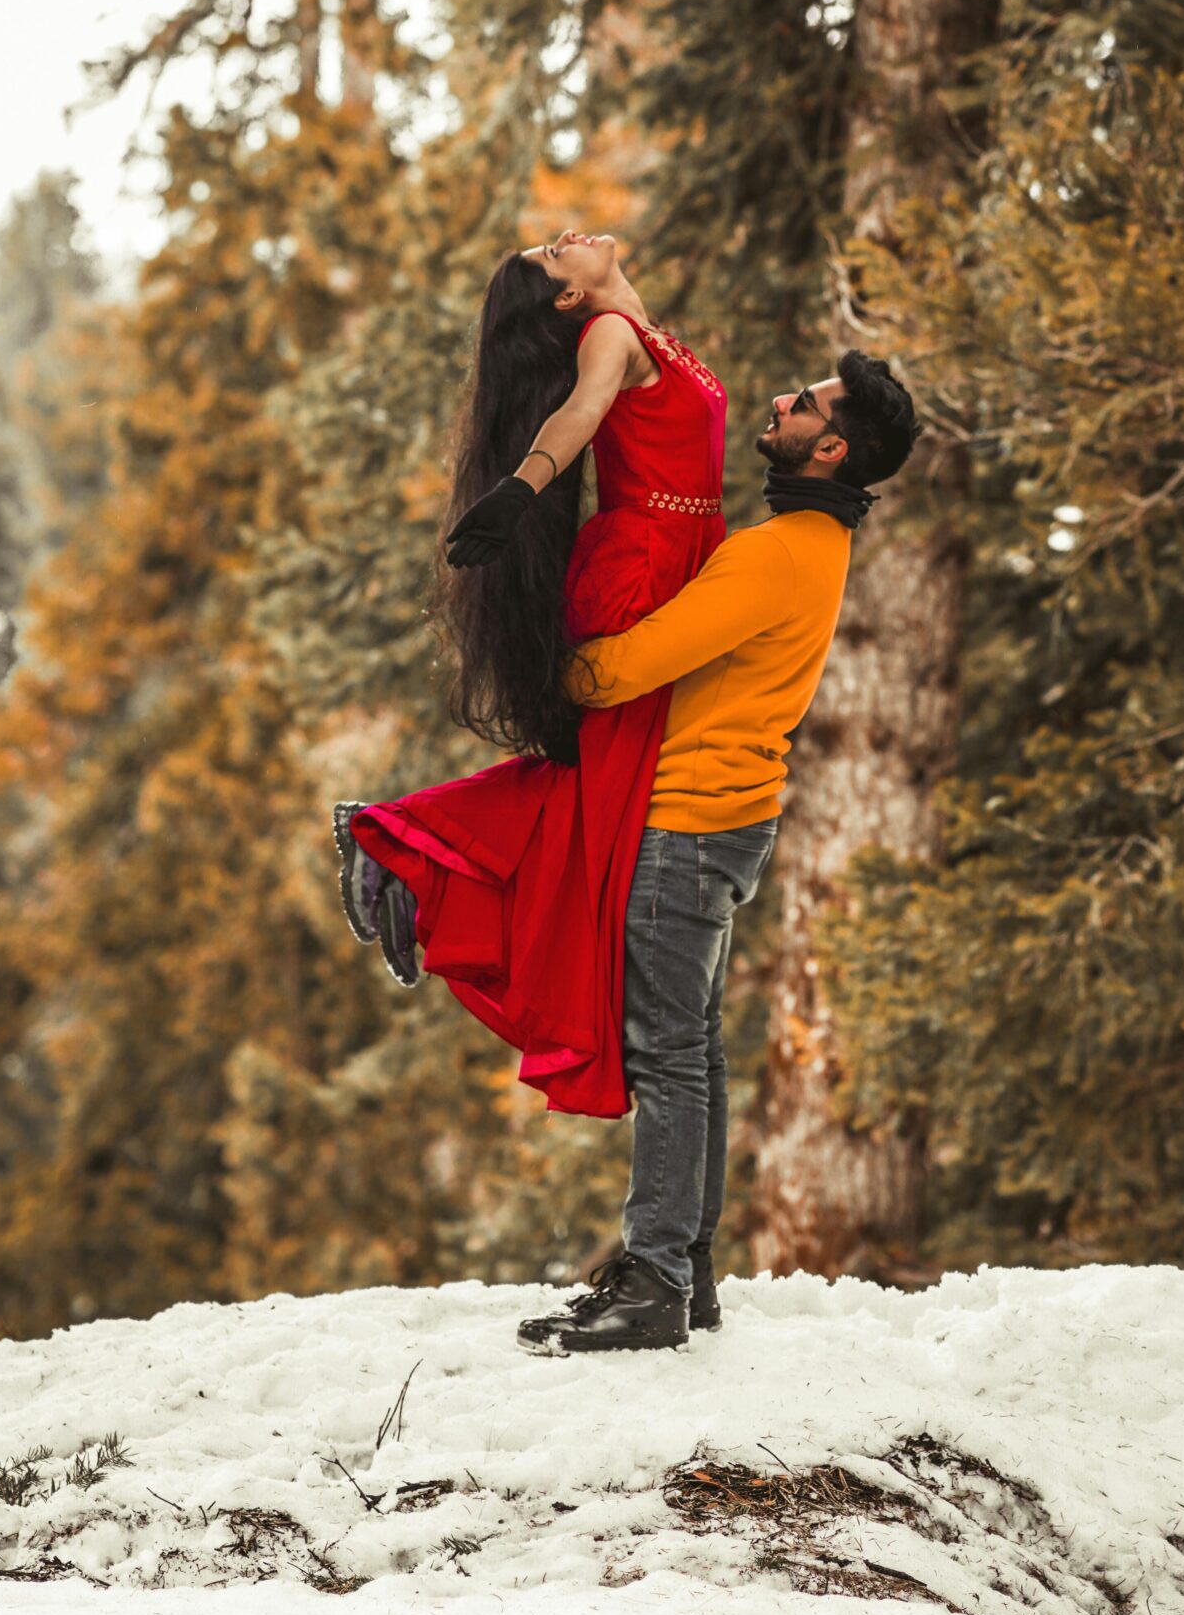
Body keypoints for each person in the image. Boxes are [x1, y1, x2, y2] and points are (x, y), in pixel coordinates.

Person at [518, 348, 921, 1355]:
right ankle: (683, 1274)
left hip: (691, 821)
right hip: (730, 817)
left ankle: (654, 1278)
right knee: (691, 1044)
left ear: (828, 448)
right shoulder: (814, 542)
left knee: (666, 1050)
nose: (782, 399)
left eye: (807, 404)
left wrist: (541, 671)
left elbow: (639, 663)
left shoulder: (779, 549)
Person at [333, 229, 727, 1115]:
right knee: (599, 799)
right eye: (554, 256)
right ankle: (398, 845)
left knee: (596, 790)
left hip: (676, 563)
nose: (567, 238)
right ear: (565, 301)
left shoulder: (639, 325)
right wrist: (519, 488)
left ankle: (405, 851)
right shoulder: (607, 337)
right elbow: (580, 415)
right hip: (642, 572)